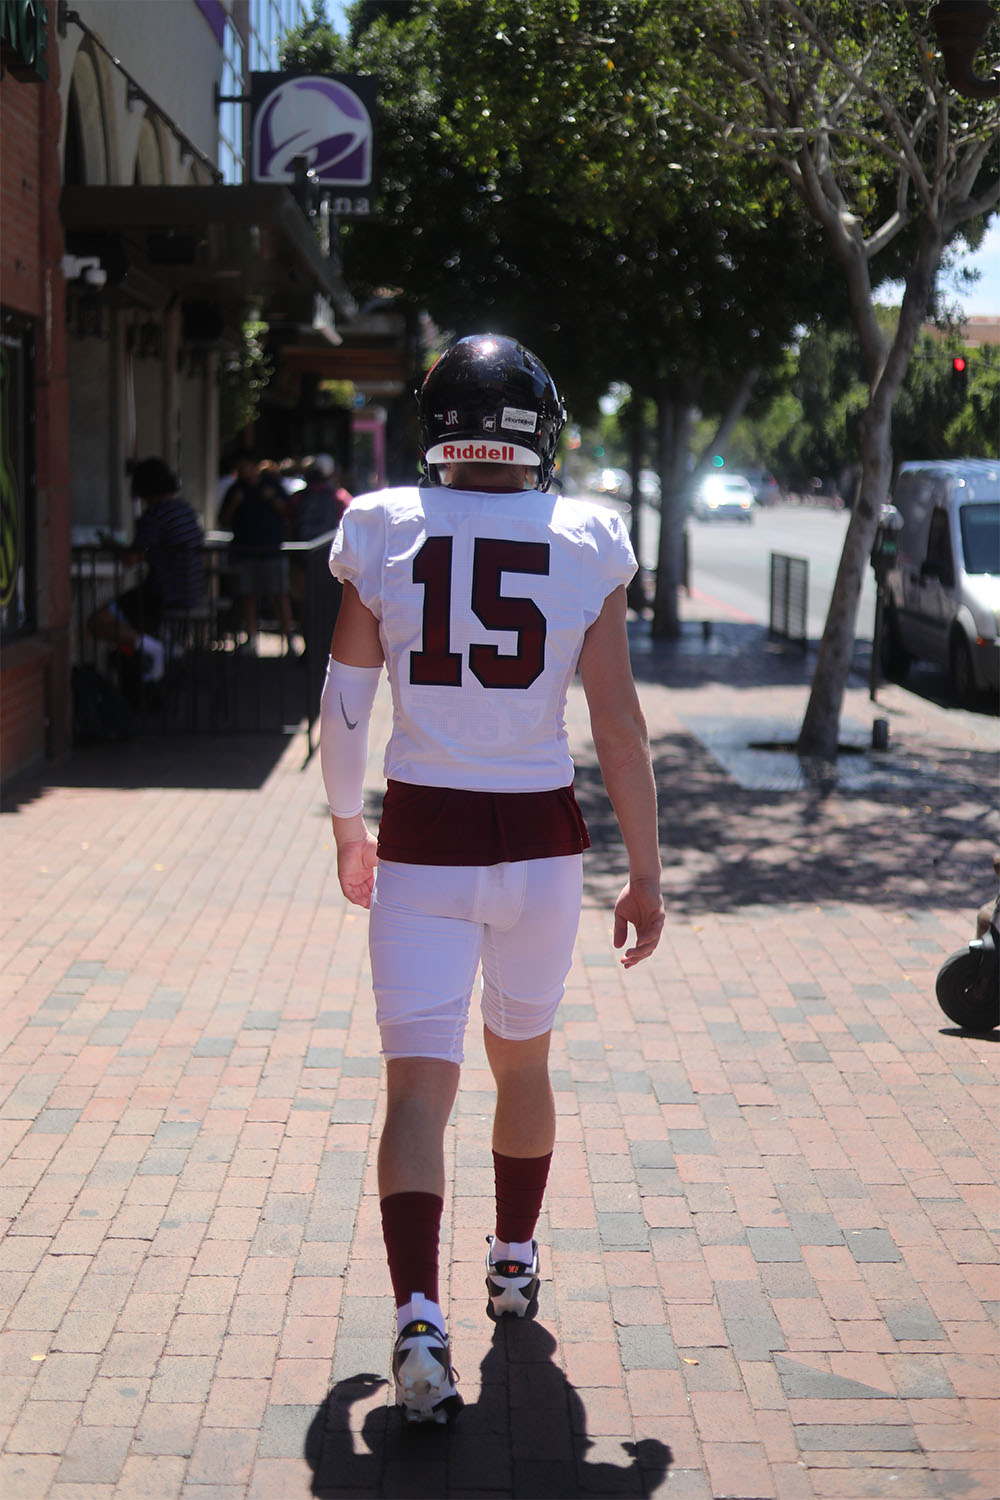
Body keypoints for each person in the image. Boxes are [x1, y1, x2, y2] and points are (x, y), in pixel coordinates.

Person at [319, 334, 664, 1424]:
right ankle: (512, 1259)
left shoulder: (383, 527)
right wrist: (646, 873)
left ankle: (418, 1313)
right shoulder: (585, 537)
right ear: (535, 432)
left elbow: (343, 700)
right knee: (524, 1066)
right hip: (541, 847)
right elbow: (616, 723)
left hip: (422, 840)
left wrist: (343, 827)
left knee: (417, 1088)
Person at [92, 457, 204, 684]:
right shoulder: (184, 509)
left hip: (165, 592)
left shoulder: (156, 515)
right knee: (135, 617)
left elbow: (132, 559)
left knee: (97, 622)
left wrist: (113, 547)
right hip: (191, 589)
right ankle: (165, 647)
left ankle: (154, 649)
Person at [219, 451, 298, 655]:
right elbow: (224, 520)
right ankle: (251, 638)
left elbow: (288, 513)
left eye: (244, 466)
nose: (241, 471)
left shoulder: (272, 486)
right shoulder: (236, 489)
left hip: (271, 551)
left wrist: (273, 500)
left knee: (279, 595)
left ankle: (289, 639)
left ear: (254, 466)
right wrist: (235, 503)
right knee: (248, 595)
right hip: (245, 551)